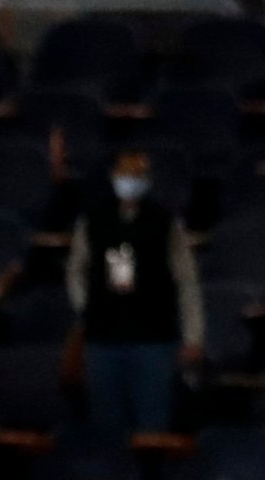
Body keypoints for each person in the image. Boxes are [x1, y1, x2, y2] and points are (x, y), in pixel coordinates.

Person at [67, 144, 202, 444]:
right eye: (124, 174)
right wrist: (86, 307)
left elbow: (186, 281)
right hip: (104, 339)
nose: (129, 181)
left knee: (152, 428)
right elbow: (76, 269)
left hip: (153, 340)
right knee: (106, 430)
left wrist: (193, 335)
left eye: (137, 174)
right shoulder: (93, 220)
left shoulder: (165, 223)